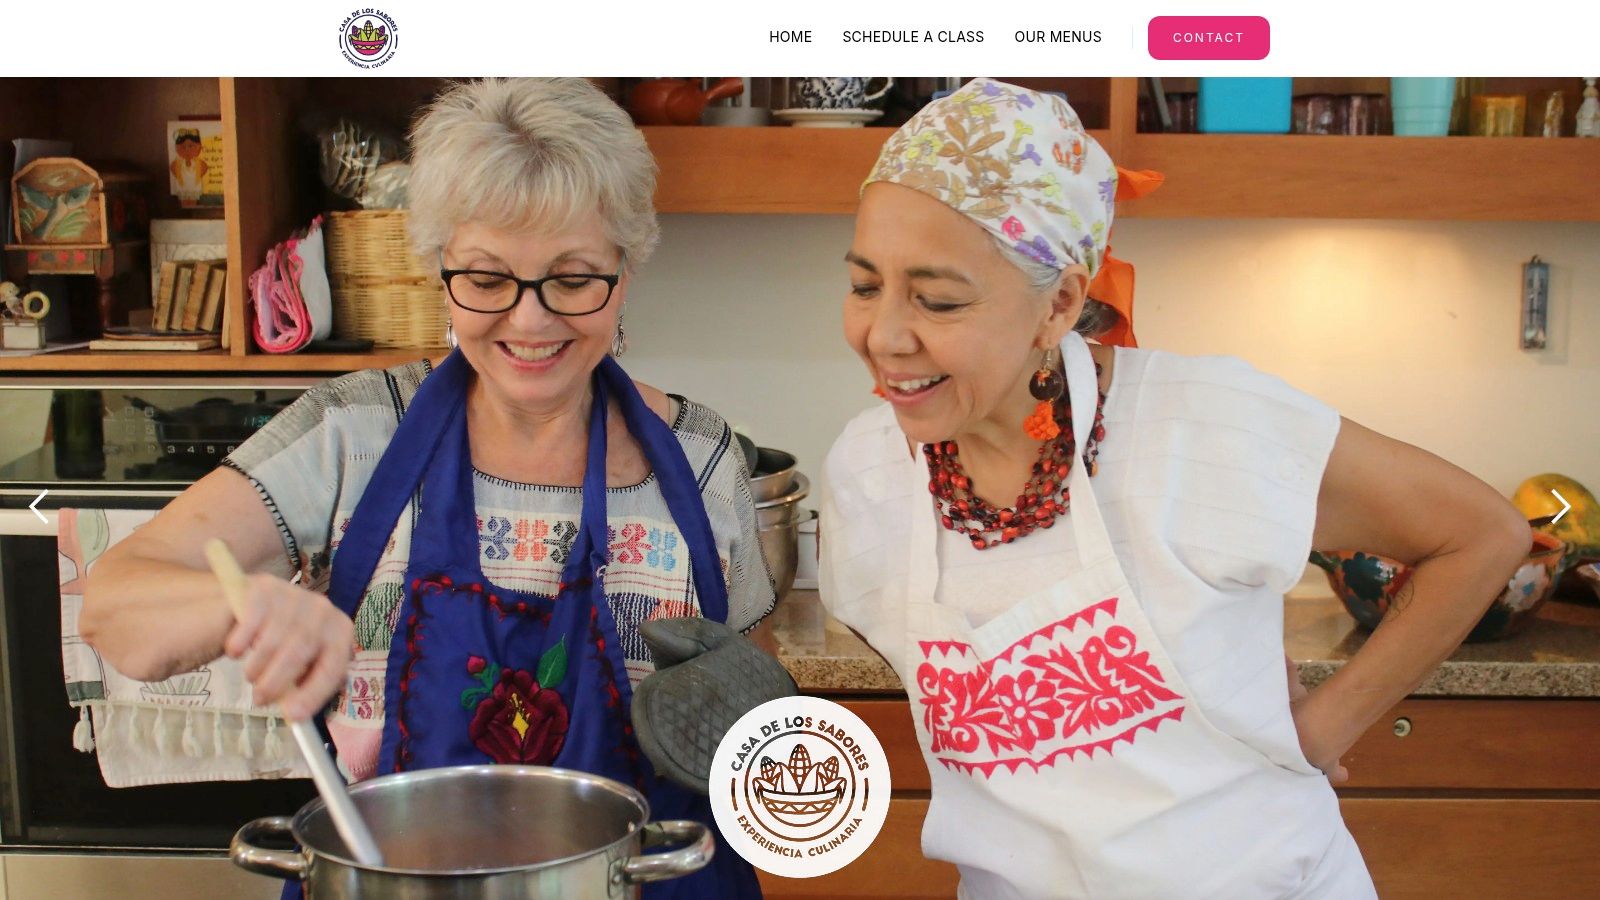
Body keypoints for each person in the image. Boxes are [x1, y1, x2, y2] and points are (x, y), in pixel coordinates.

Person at [819, 78, 1531, 898]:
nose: (884, 336)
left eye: (938, 300)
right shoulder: (868, 473)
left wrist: (1316, 731)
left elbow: (1481, 534)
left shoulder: (1204, 427)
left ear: (1058, 304)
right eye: (866, 286)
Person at [82, 78, 771, 898]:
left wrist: (754, 721)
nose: (529, 321)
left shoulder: (700, 458)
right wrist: (239, 607)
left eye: (573, 277)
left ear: (626, 270)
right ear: (438, 268)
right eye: (486, 279)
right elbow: (113, 605)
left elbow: (758, 718)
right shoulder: (352, 433)